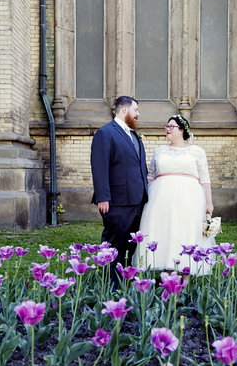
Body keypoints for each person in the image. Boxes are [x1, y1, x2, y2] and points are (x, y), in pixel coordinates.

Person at [136, 115, 215, 275]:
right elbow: (150, 175)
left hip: (189, 198)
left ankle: (185, 274)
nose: (167, 129)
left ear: (182, 130)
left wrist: (209, 203)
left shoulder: (197, 152)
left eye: (171, 126)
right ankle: (166, 270)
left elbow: (205, 178)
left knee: (186, 230)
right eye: (166, 126)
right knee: (163, 230)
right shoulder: (159, 151)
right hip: (161, 198)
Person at [90, 96, 149, 283]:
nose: (138, 114)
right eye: (136, 110)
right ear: (124, 110)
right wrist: (103, 197)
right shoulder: (105, 133)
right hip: (116, 201)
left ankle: (126, 281)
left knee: (130, 246)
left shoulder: (133, 135)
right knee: (114, 245)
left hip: (137, 200)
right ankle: (111, 285)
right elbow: (99, 166)